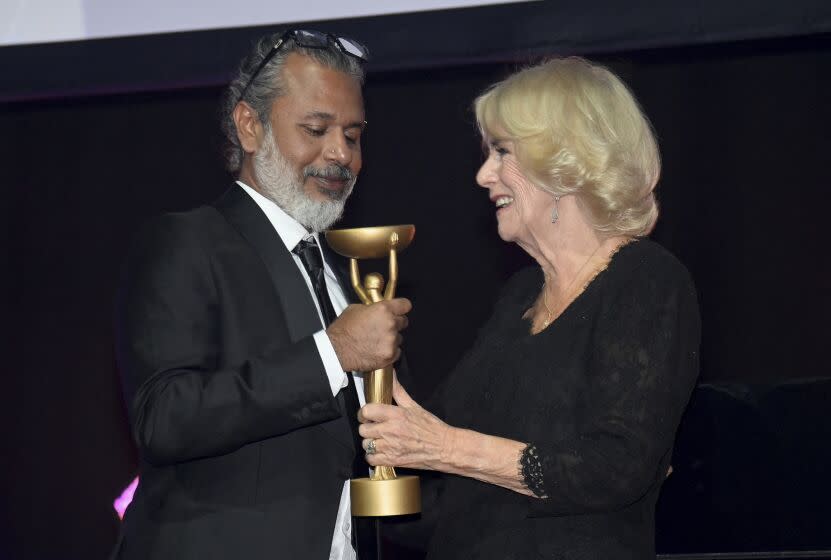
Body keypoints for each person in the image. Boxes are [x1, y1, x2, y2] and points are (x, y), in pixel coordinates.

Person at [358, 57, 701, 559]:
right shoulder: (519, 295)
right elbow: (438, 445)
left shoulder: (645, 280)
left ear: (564, 161)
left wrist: (449, 448)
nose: (482, 175)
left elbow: (617, 468)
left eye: (501, 152)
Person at [112, 29, 411, 560]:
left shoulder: (341, 270)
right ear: (250, 127)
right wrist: (333, 354)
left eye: (354, 134)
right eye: (316, 129)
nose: (340, 153)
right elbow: (164, 417)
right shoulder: (188, 241)